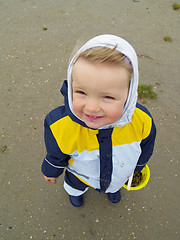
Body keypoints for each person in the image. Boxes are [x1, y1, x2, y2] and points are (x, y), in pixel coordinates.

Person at [41, 34, 156, 207]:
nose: (92, 107)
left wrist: (138, 167)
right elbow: (55, 154)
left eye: (108, 97)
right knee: (75, 185)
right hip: (81, 174)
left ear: (130, 95)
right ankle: (76, 193)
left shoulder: (141, 120)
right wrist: (51, 171)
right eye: (81, 92)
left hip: (120, 171)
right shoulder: (59, 124)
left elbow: (146, 146)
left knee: (115, 182)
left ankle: (113, 188)